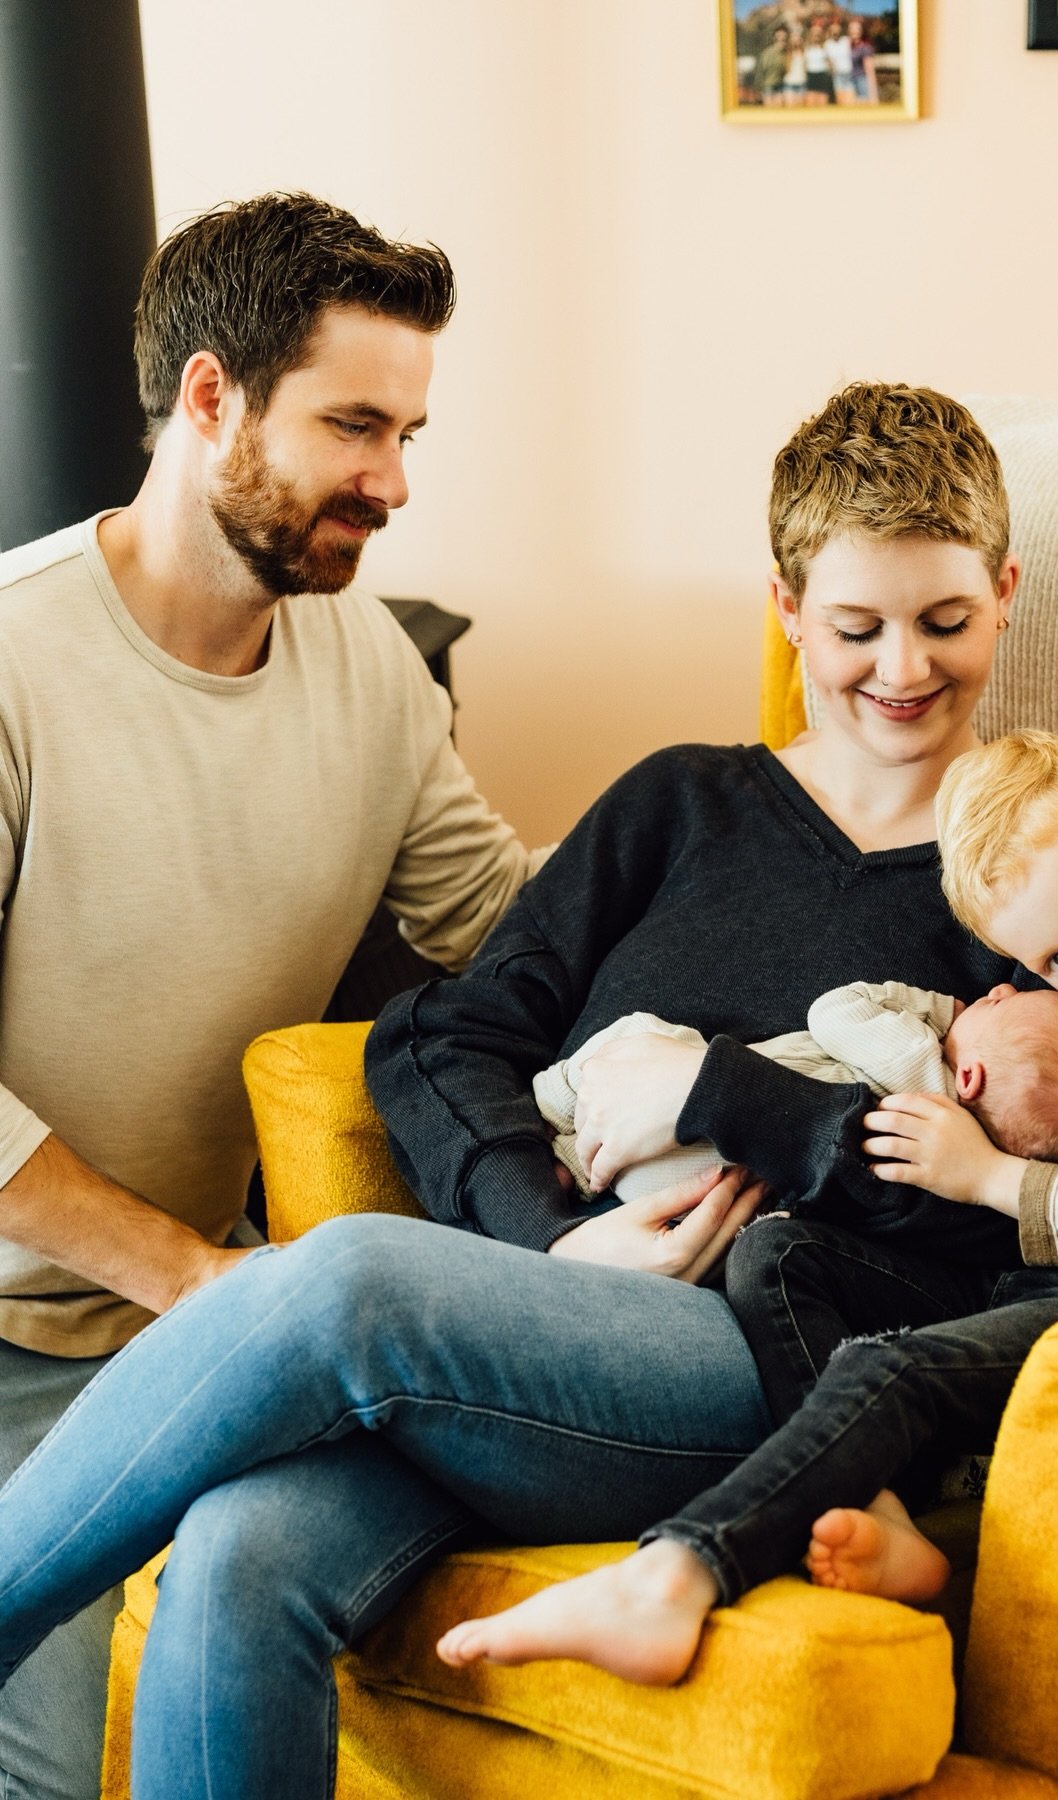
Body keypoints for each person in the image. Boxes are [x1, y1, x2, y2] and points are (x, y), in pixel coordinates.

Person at [0, 383, 1058, 1800]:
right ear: (786, 610)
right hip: (537, 1327)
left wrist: (722, 1093)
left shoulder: (1044, 876)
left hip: (761, 1362)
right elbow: (441, 1038)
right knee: (240, 1554)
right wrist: (549, 1237)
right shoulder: (679, 805)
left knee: (346, 1286)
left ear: (1004, 596)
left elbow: (1038, 1211)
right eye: (856, 627)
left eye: (945, 622)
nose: (902, 670)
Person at [434, 731, 1058, 1688]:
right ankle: (877, 1506)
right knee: (780, 1252)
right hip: (1037, 1272)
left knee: (895, 1370)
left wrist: (981, 1176)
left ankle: (677, 1576)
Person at [0, 192, 542, 1800]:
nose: (391, 478)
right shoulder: (15, 662)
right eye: (355, 424)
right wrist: (186, 1276)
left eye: (409, 431)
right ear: (212, 399)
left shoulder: (368, 666)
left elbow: (507, 929)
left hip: (198, 1320)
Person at [537, 979, 1058, 1203]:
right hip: (683, 1194)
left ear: (968, 1079)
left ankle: (554, 1101)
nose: (996, 989)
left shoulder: (910, 1056)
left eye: (1004, 1005)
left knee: (641, 1033)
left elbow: (832, 1009)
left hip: (671, 1121)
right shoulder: (936, 1159)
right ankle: (572, 1164)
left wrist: (935, 1008)